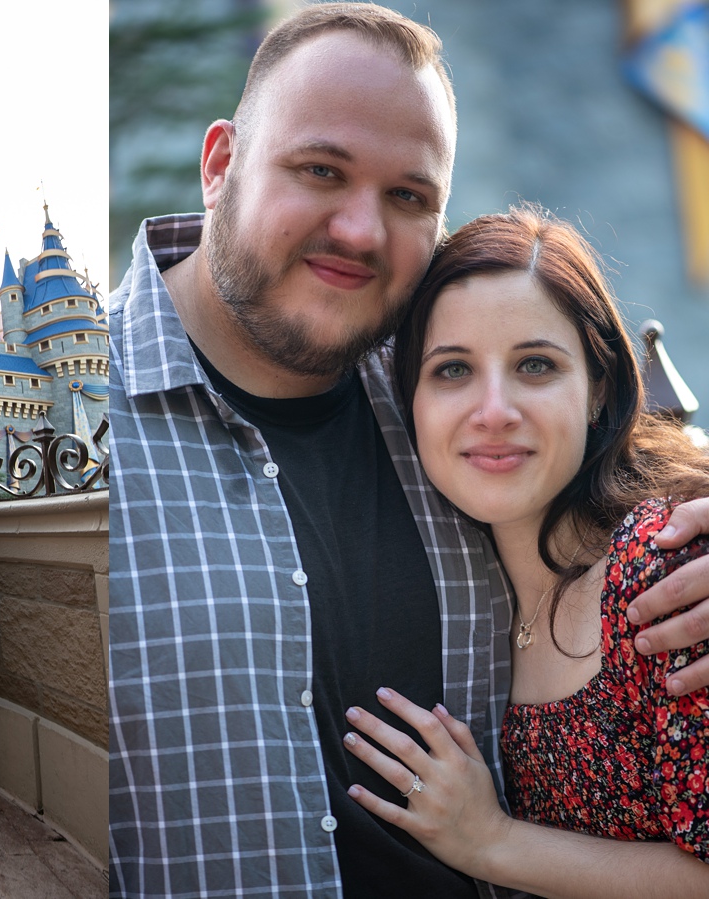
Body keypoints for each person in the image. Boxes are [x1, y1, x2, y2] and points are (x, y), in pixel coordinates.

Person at [108, 4, 709, 896]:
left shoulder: (438, 390)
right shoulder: (98, 416)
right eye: (320, 169)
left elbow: (636, 458)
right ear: (220, 162)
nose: (360, 231)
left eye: (409, 196)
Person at [339, 205, 709, 894]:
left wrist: (491, 842)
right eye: (452, 370)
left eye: (535, 364)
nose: (494, 409)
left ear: (599, 388)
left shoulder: (664, 572)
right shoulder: (464, 583)